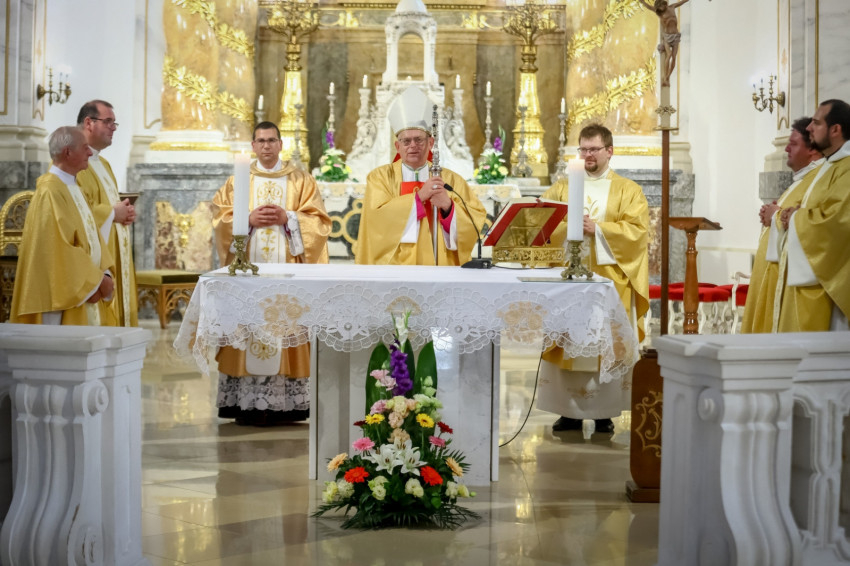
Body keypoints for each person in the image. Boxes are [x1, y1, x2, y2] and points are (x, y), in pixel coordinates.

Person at [211, 121, 331, 426]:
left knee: (285, 327)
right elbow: (219, 218)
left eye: (271, 140)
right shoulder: (238, 181)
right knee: (247, 327)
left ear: (280, 144)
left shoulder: (301, 180)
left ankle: (285, 404)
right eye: (261, 141)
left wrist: (289, 218)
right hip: (247, 273)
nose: (266, 146)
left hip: (286, 276)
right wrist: (246, 219)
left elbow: (319, 223)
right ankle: (245, 402)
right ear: (253, 146)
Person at [538, 123, 649, 433]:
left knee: (605, 344)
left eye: (594, 149)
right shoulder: (562, 188)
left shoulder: (628, 190)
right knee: (569, 341)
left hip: (608, 282)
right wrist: (571, 225)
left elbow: (637, 233)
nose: (587, 155)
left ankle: (604, 413)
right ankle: (569, 411)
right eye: (583, 149)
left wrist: (598, 229)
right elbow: (541, 221)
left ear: (609, 151)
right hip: (568, 283)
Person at [354, 86, 487, 266]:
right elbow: (376, 222)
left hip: (440, 264)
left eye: (419, 139)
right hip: (395, 267)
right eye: (406, 141)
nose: (413, 146)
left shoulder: (451, 180)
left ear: (430, 143)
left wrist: (448, 207)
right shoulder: (379, 178)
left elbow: (475, 220)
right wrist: (419, 198)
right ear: (397, 146)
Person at [11, 126, 114, 325]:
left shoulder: (75, 188)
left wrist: (106, 274)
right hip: (64, 300)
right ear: (68, 152)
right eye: (85, 147)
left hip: (87, 292)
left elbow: (94, 236)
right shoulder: (50, 192)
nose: (90, 152)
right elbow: (57, 251)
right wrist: (97, 281)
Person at [740, 117, 823, 333]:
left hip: (790, 285)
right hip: (772, 277)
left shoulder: (816, 182)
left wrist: (775, 216)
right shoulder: (802, 181)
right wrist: (773, 215)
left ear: (812, 150)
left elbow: (810, 226)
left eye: (793, 143)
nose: (787, 148)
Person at [777, 99, 850, 332]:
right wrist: (796, 213)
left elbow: (837, 221)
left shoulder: (847, 167)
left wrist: (795, 218)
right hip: (817, 278)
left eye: (816, 123)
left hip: (832, 287)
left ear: (835, 129)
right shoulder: (831, 166)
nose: (809, 128)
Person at [76, 99, 138, 327]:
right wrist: (112, 213)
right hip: (96, 262)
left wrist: (124, 213)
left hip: (115, 252)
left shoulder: (103, 164)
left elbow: (108, 206)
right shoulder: (74, 162)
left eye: (115, 123)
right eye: (108, 121)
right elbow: (76, 211)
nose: (113, 128)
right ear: (89, 123)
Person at [639, 0, 696, 87]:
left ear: (664, 4)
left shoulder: (672, 7)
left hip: (675, 36)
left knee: (674, 57)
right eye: (660, 7)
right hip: (667, 37)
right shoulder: (659, 13)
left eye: (662, 6)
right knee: (668, 55)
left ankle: (667, 77)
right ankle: (665, 76)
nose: (661, 8)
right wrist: (642, 1)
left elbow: (681, 2)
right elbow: (648, 6)